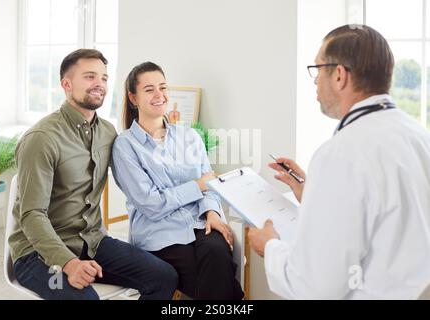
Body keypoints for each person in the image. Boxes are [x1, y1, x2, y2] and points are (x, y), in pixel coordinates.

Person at [248, 25, 430, 299]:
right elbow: (391, 215)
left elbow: (317, 287)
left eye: (317, 69)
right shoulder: (419, 137)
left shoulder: (340, 154)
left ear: (339, 76)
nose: (315, 81)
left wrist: (270, 247)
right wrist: (314, 193)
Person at [9, 49, 178, 300]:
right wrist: (68, 263)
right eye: (89, 77)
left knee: (164, 276)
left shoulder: (107, 133)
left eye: (104, 78)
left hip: (92, 243)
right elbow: (32, 215)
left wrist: (171, 132)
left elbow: (144, 167)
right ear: (66, 84)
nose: (99, 84)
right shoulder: (42, 139)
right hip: (38, 254)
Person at [111, 61, 244, 300]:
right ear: (133, 98)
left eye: (163, 87)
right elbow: (151, 204)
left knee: (218, 252)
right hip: (159, 234)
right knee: (213, 277)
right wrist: (196, 186)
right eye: (149, 89)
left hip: (201, 221)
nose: (159, 95)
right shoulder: (125, 146)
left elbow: (210, 186)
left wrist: (213, 213)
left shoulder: (189, 136)